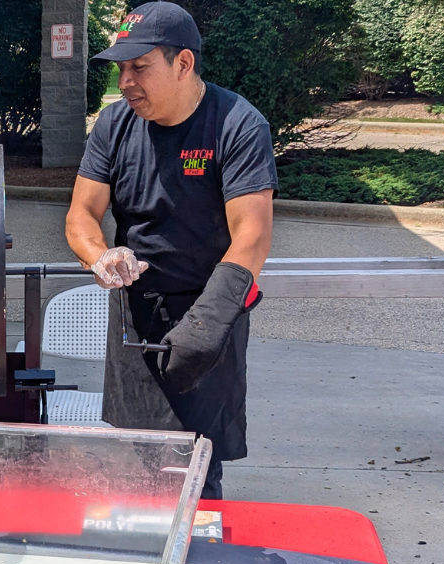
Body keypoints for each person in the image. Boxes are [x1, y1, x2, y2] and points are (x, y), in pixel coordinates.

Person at [65, 1, 278, 499]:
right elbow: (81, 215)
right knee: (135, 459)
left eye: (140, 67)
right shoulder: (114, 125)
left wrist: (206, 326)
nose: (126, 82)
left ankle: (196, 560)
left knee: (198, 466)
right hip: (134, 308)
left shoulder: (236, 124)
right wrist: (100, 255)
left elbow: (253, 235)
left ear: (183, 64)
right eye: (121, 68)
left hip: (209, 308)